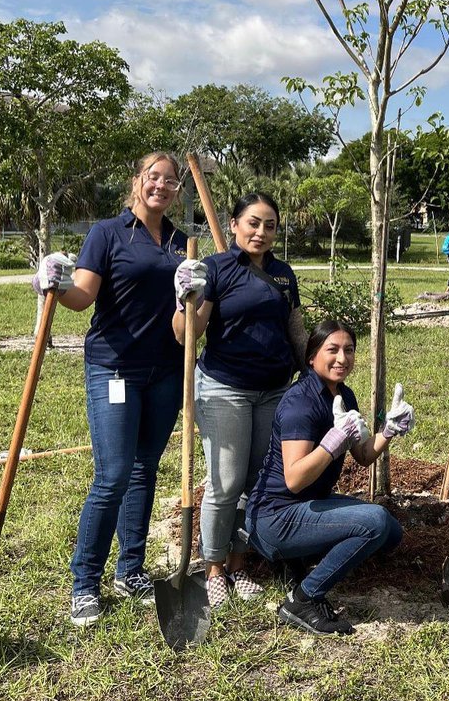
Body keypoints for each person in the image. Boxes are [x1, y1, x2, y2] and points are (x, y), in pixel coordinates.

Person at [33, 152, 187, 626]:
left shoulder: (184, 242)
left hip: (166, 371)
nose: (160, 185)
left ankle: (131, 571)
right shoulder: (108, 233)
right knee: (114, 474)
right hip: (115, 369)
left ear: (178, 190)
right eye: (152, 177)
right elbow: (82, 298)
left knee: (145, 470)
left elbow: (188, 322)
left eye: (169, 180)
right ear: (137, 181)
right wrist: (54, 285)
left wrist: (195, 289)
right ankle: (84, 581)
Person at [172, 192, 308, 611]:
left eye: (269, 225)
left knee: (257, 483)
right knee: (225, 482)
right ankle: (213, 567)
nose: (261, 232)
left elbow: (296, 330)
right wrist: (184, 298)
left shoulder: (284, 275)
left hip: (274, 390)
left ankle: (239, 563)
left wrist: (317, 375)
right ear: (234, 224)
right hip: (224, 388)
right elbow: (185, 333)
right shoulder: (214, 269)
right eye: (253, 222)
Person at [246, 319, 413, 635]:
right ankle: (303, 597)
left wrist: (388, 430)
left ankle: (298, 556)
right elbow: (294, 479)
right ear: (311, 356)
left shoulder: (343, 395)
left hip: (308, 504)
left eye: (349, 350)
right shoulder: (301, 402)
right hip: (275, 516)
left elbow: (363, 457)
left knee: (391, 532)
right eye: (332, 350)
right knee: (374, 522)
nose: (342, 358)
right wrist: (331, 443)